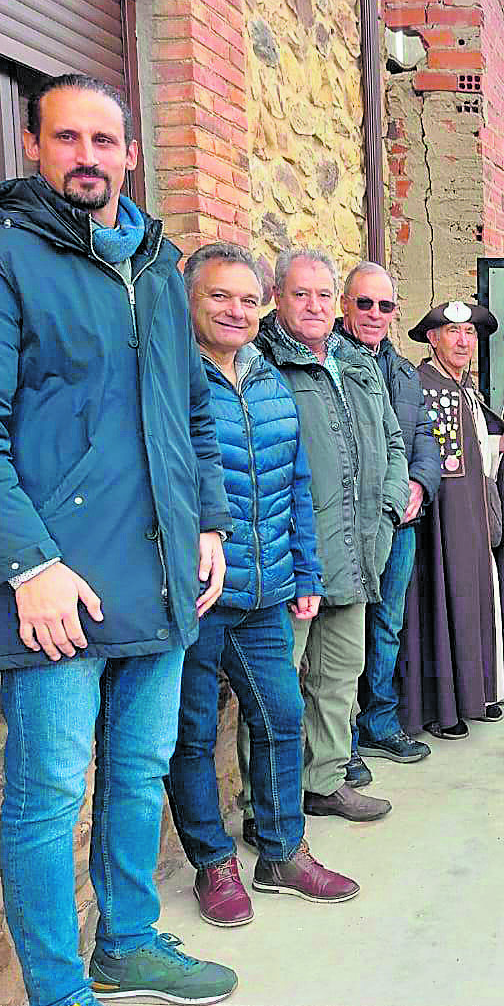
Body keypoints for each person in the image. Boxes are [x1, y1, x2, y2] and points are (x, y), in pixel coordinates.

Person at [0, 73, 236, 1006]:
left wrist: (209, 523)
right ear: (33, 145)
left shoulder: (158, 266)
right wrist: (29, 566)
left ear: (130, 153)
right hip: (59, 592)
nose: (89, 157)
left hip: (164, 580)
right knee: (52, 796)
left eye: (106, 140)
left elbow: (193, 412)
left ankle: (128, 938)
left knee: (138, 774)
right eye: (69, 139)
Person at [165, 243, 359, 928]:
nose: (236, 310)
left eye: (248, 299)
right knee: (189, 735)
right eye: (220, 296)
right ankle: (212, 864)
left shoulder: (271, 380)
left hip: (267, 591)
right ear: (190, 300)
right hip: (195, 597)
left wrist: (305, 571)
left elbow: (296, 485)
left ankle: (281, 851)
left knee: (280, 717)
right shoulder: (171, 382)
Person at [254, 249, 408, 823]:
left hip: (358, 550)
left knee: (339, 678)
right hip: (295, 556)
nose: (314, 305)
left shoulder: (356, 363)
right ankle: (266, 802)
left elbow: (393, 443)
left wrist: (389, 510)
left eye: (323, 295)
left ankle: (325, 781)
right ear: (278, 296)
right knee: (278, 690)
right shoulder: (262, 364)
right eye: (302, 294)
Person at [402, 301, 504, 739]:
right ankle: (446, 707)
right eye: (452, 333)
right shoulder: (424, 388)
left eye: (469, 333)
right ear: (433, 339)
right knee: (447, 600)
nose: (462, 340)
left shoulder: (467, 390)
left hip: (474, 518)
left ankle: (480, 692)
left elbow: (473, 453)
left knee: (480, 597)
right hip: (443, 523)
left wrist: (501, 441)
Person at [336, 262, 442, 773]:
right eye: (364, 303)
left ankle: (379, 721)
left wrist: (419, 484)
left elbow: (422, 436)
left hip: (399, 523)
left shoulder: (401, 372)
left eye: (385, 306)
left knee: (386, 626)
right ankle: (342, 742)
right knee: (342, 635)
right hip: (349, 526)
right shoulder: (327, 361)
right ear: (344, 304)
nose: (375, 314)